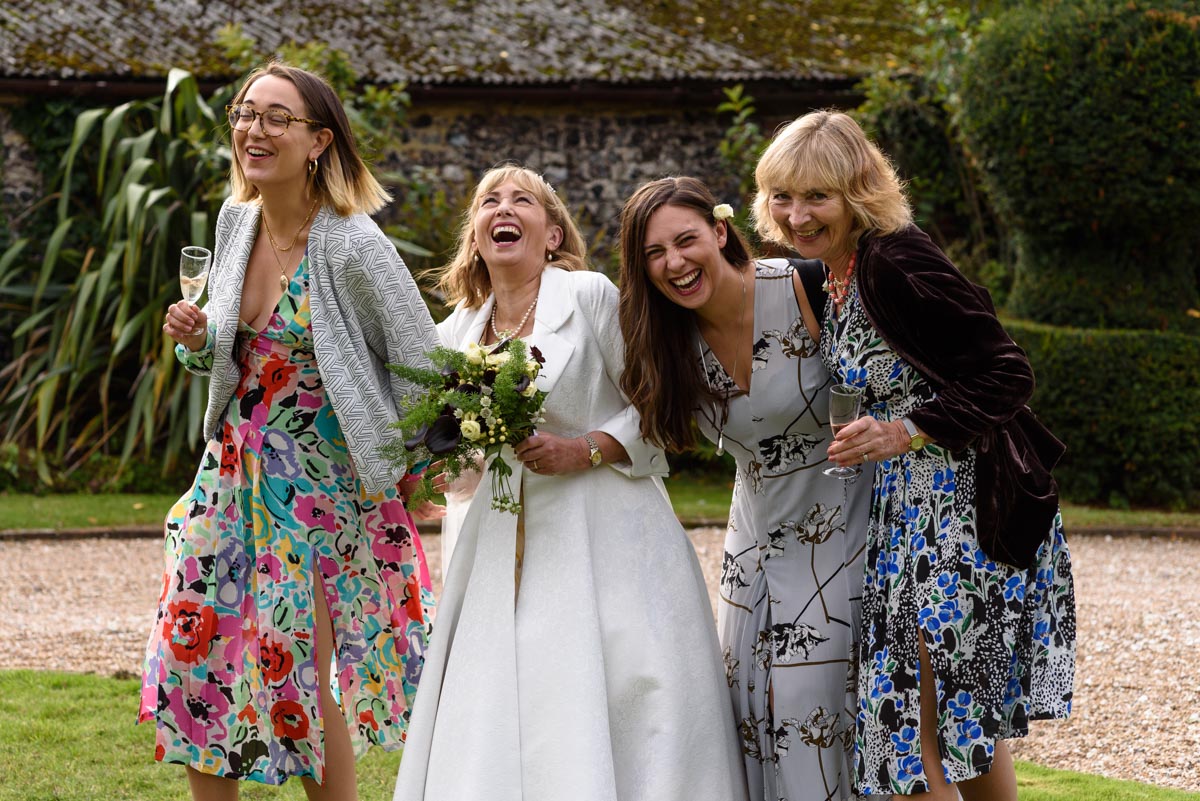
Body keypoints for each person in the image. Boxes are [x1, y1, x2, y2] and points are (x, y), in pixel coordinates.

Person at [392, 164, 748, 801]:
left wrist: (584, 447)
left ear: (552, 234)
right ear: (476, 235)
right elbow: (460, 469)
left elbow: (657, 401)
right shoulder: (453, 332)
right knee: (507, 695)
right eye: (489, 201)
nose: (504, 208)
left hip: (610, 535)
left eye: (522, 200)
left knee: (624, 690)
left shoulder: (587, 298)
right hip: (498, 547)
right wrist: (432, 470)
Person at [753, 110, 1077, 799]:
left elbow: (1009, 371)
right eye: (783, 194)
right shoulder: (834, 271)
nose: (797, 213)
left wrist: (907, 429)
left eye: (818, 196)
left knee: (908, 729)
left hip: (959, 518)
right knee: (957, 728)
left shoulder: (894, 258)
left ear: (857, 194)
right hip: (908, 516)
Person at [141, 62, 441, 800]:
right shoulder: (235, 222)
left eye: (278, 117)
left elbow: (425, 362)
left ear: (318, 141)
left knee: (296, 665)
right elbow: (229, 351)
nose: (255, 129)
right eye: (247, 113)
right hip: (228, 477)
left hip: (319, 495)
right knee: (196, 652)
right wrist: (195, 336)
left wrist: (412, 470)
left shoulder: (354, 245)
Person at [616, 176, 872, 801]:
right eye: (655, 253)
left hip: (844, 528)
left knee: (822, 709)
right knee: (750, 711)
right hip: (751, 548)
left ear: (721, 231)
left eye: (686, 240)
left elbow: (885, 377)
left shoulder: (805, 287)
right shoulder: (664, 340)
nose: (675, 263)